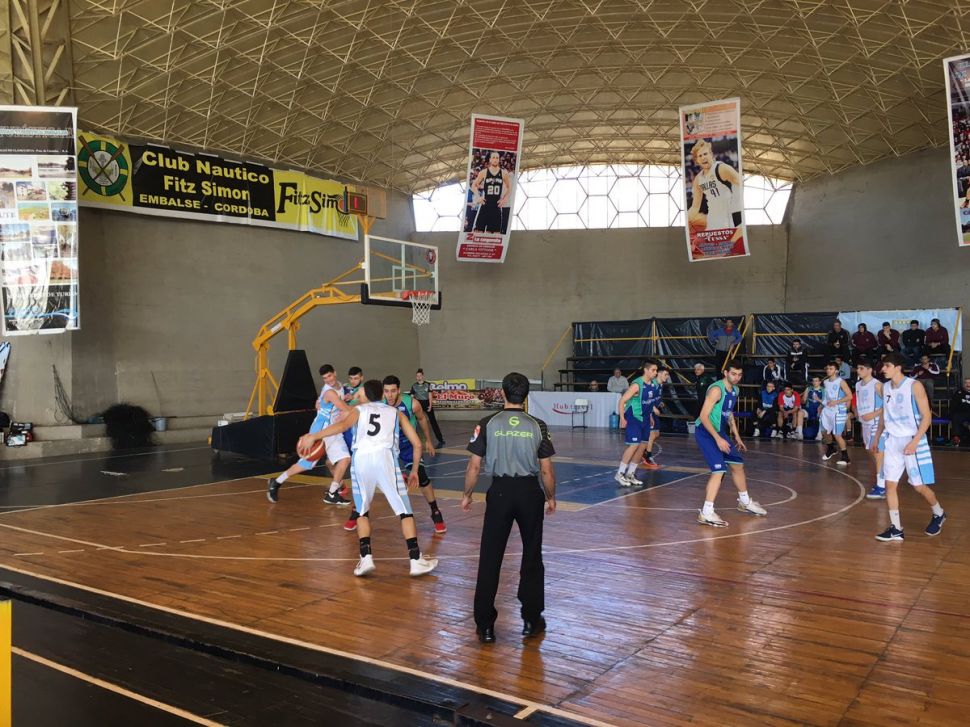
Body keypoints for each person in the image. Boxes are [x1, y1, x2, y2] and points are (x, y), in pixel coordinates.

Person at [299, 379, 438, 576]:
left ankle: (365, 559)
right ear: (382, 394)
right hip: (385, 459)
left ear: (366, 395)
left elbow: (342, 426)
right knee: (404, 511)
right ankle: (415, 560)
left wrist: (315, 436)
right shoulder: (395, 413)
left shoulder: (359, 410)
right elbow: (417, 444)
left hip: (361, 460)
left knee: (362, 511)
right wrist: (414, 469)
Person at [462, 372, 556, 644]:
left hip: (500, 493)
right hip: (529, 493)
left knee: (490, 557)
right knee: (532, 556)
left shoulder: (487, 423)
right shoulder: (538, 425)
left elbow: (474, 466)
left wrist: (467, 494)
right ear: (525, 396)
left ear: (502, 393)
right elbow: (546, 469)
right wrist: (550, 497)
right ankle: (531, 619)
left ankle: (485, 626)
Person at [871, 353, 947, 541]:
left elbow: (927, 417)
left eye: (887, 365)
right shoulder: (885, 387)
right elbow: (884, 414)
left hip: (912, 439)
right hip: (892, 440)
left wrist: (915, 441)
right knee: (890, 484)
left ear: (898, 367)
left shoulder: (914, 386)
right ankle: (896, 528)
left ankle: (939, 513)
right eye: (883, 366)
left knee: (919, 486)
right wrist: (877, 437)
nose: (883, 369)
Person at [694, 359, 767, 527]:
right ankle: (706, 513)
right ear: (725, 373)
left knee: (737, 465)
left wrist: (737, 436)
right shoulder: (716, 390)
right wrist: (718, 439)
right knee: (719, 470)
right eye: (733, 374)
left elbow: (729, 413)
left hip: (719, 432)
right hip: (705, 432)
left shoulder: (735, 390)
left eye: (739, 375)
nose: (736, 377)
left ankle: (745, 502)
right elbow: (703, 416)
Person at [267, 364, 352, 505]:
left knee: (345, 459)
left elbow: (330, 404)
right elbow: (346, 409)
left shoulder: (340, 387)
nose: (328, 380)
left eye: (330, 376)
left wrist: (346, 399)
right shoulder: (330, 392)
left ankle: (332, 493)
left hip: (333, 430)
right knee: (306, 464)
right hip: (320, 430)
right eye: (325, 378)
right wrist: (358, 406)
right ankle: (276, 482)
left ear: (335, 373)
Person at [615, 360, 663, 486]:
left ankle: (630, 474)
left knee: (642, 447)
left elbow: (650, 402)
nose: (655, 372)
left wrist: (650, 415)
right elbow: (622, 400)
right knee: (634, 445)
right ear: (646, 370)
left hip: (645, 418)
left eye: (656, 370)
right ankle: (620, 473)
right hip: (634, 417)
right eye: (653, 370)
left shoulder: (653, 384)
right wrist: (622, 418)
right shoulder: (637, 385)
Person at [687, 139, 743, 243]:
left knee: (731, 248)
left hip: (730, 216)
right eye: (700, 156)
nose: (703, 157)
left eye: (705, 154)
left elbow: (740, 182)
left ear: (711, 155)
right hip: (712, 220)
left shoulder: (721, 168)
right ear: (697, 160)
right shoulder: (698, 179)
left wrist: (737, 206)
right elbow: (695, 207)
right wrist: (686, 220)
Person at [854, 359, 886, 500]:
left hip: (876, 423)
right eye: (857, 368)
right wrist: (857, 412)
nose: (858, 371)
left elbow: (888, 403)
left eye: (861, 368)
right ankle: (883, 477)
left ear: (870, 370)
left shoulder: (877, 385)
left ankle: (881, 486)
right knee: (871, 452)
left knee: (877, 452)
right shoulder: (858, 384)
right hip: (865, 422)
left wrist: (874, 414)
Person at [820, 361, 853, 467]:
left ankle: (845, 457)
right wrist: (822, 405)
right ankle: (831, 449)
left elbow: (849, 396)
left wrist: (837, 402)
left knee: (837, 435)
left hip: (839, 410)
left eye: (831, 368)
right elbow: (827, 397)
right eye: (827, 368)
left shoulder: (841, 382)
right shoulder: (826, 382)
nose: (828, 370)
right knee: (824, 431)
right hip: (828, 409)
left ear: (836, 371)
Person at [471, 151, 511, 233]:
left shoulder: (503, 173)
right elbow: (473, 185)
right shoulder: (483, 172)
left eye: (497, 158)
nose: (495, 159)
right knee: (478, 232)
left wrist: (504, 199)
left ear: (499, 159)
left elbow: (509, 187)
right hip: (485, 205)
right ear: (490, 159)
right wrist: (478, 197)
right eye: (493, 157)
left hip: (496, 207)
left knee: (495, 234)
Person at [642, 367, 669, 469]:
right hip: (648, 410)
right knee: (652, 434)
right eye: (665, 374)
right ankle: (647, 455)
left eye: (668, 375)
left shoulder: (660, 384)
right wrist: (653, 408)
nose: (667, 377)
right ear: (659, 374)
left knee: (656, 433)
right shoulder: (653, 384)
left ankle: (644, 451)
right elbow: (647, 398)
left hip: (653, 410)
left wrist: (660, 403)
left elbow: (656, 397)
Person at [410, 369, 445, 447]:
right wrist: (411, 406)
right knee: (414, 421)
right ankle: (412, 439)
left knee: (433, 421)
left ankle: (440, 439)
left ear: (423, 376)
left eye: (420, 376)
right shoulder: (414, 386)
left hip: (427, 403)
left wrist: (430, 405)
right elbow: (412, 397)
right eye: (417, 376)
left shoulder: (427, 384)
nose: (419, 377)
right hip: (418, 404)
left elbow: (430, 395)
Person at [342, 366, 364, 451]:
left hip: (355, 422)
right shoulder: (345, 386)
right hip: (342, 420)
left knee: (353, 447)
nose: (353, 381)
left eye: (356, 378)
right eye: (351, 378)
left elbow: (365, 401)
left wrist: (353, 399)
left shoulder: (363, 389)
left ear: (361, 378)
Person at [948, 377, 970, 447]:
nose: (968, 384)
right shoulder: (958, 392)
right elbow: (953, 405)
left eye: (969, 383)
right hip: (960, 413)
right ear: (963, 384)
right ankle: (956, 438)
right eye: (966, 383)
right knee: (955, 416)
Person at [802, 375, 825, 441]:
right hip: (809, 408)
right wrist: (804, 399)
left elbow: (825, 402)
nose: (814, 382)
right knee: (800, 413)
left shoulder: (823, 390)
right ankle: (799, 433)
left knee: (823, 412)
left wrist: (819, 402)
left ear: (820, 382)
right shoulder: (808, 389)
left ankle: (819, 434)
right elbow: (803, 402)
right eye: (813, 381)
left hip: (819, 408)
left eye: (816, 381)